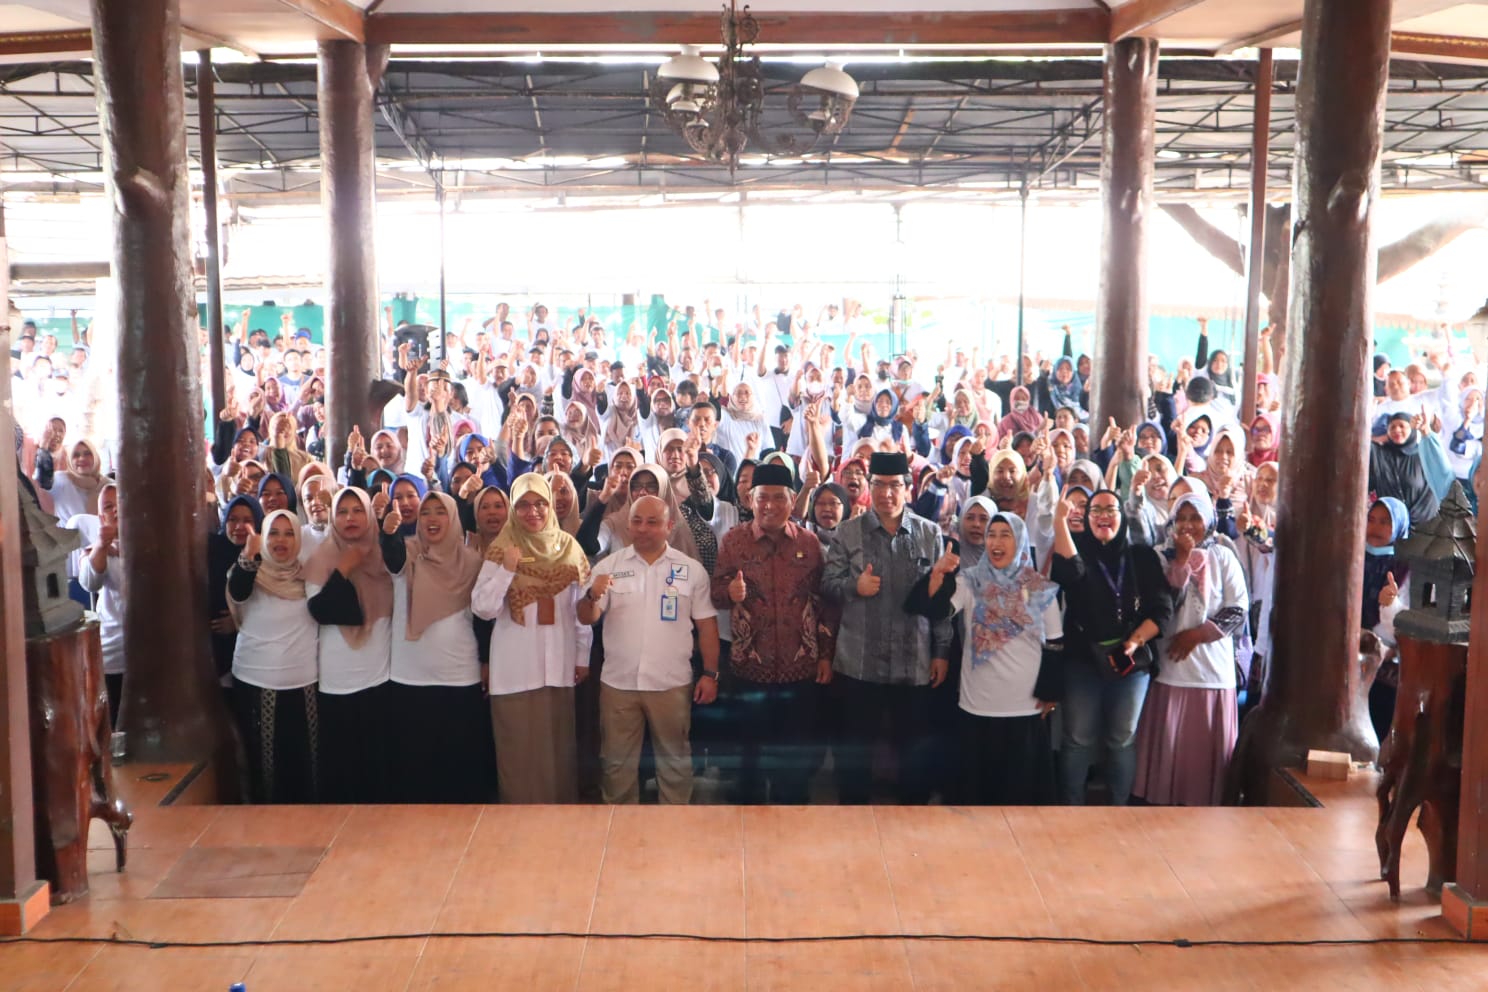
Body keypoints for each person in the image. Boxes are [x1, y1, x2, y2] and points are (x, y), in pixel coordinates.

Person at [823, 450, 955, 804]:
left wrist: (942, 652)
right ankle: (854, 825)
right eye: (879, 485)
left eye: (895, 485)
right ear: (869, 487)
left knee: (914, 756)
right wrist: (855, 587)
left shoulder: (929, 534)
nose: (886, 494)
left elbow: (940, 601)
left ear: (908, 488)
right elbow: (827, 586)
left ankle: (911, 827)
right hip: (859, 663)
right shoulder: (848, 533)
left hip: (913, 663)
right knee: (854, 756)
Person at [580, 494, 720, 804]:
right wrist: (591, 596)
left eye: (652, 522)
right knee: (617, 765)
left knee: (674, 763)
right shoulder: (609, 567)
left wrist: (710, 673)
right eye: (636, 521)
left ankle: (673, 832)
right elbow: (586, 618)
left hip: (671, 683)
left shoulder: (691, 570)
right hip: (619, 683)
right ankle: (619, 833)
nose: (642, 529)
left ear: (669, 526)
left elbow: (708, 626)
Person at [711, 461, 832, 803]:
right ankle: (747, 831)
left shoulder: (809, 544)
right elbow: (716, 592)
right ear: (751, 500)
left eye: (779, 498)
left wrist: (824, 654)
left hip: (801, 670)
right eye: (763, 497)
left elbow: (823, 602)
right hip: (750, 669)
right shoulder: (734, 542)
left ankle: (790, 829)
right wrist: (729, 594)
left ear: (792, 502)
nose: (770, 505)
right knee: (748, 758)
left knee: (793, 761)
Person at [473, 473, 593, 803]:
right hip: (515, 669)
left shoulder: (569, 548)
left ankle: (558, 828)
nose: (533, 512)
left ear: (550, 505)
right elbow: (482, 608)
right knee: (518, 754)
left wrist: (583, 657)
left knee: (558, 752)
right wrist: (507, 570)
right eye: (523, 505)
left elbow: (581, 609)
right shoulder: (502, 548)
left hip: (560, 666)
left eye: (540, 503)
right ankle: (518, 827)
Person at [1050, 488, 1174, 806]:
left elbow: (1162, 610)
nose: (1104, 516)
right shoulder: (1078, 552)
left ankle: (1119, 812)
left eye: (1111, 509)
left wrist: (1133, 642)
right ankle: (1071, 811)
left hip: (1131, 661)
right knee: (1077, 739)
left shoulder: (1143, 556)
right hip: (1082, 660)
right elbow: (1068, 573)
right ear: (1087, 517)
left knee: (1122, 740)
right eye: (1096, 510)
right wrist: (1060, 521)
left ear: (1122, 515)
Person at [938, 509, 1062, 804]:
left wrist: (1049, 691)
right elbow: (939, 610)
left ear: (1019, 541)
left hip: (1024, 706)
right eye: (992, 534)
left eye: (1005, 534)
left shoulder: (1038, 586)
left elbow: (1056, 644)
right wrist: (939, 576)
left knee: (1019, 802)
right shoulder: (969, 581)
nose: (997, 540)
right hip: (976, 704)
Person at [1132, 492, 1248, 806]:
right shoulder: (1159, 556)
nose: (1187, 525)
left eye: (1195, 518)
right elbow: (1162, 604)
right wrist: (1181, 561)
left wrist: (1196, 635)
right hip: (1171, 671)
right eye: (1181, 518)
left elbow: (1237, 610)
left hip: (1212, 672)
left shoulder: (1223, 555)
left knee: (1204, 765)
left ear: (1208, 520)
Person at [380, 491, 494, 803]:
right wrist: (388, 531)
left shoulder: (472, 561)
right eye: (426, 512)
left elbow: (483, 619)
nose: (432, 518)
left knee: (459, 769)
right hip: (409, 676)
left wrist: (486, 662)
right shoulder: (408, 552)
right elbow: (391, 556)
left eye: (440, 512)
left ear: (453, 518)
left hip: (459, 675)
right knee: (415, 771)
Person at [304, 487, 395, 804]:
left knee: (378, 767)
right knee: (344, 771)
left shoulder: (385, 556)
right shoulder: (322, 557)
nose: (350, 518)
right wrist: (344, 568)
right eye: (342, 512)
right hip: (337, 679)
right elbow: (320, 610)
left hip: (380, 674)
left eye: (358, 510)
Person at [226, 509, 320, 804]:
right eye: (274, 533)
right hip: (256, 680)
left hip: (304, 682)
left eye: (289, 533)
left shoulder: (309, 574)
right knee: (263, 769)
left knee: (306, 764)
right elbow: (238, 592)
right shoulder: (249, 570)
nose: (281, 540)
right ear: (263, 538)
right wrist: (248, 556)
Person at [78, 482, 126, 726]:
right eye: (108, 506)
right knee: (112, 724)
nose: (115, 510)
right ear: (100, 516)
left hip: (146, 652)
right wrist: (101, 545)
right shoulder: (96, 550)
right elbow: (89, 583)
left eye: (120, 503)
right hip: (112, 652)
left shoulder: (150, 546)